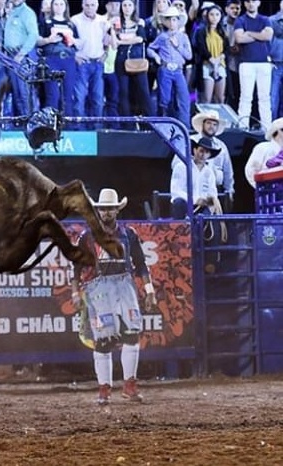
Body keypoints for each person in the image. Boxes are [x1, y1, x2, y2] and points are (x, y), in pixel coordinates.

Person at [72, 188, 156, 406]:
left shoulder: (129, 235)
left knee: (131, 333)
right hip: (99, 289)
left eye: (110, 208)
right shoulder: (87, 236)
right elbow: (77, 266)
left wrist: (149, 290)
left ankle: (129, 385)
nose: (106, 213)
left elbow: (140, 264)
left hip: (123, 284)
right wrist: (75, 291)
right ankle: (104, 389)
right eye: (103, 209)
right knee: (104, 338)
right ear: (98, 212)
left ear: (117, 210)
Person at [147, 6, 192, 128]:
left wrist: (178, 46)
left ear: (178, 21)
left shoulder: (183, 37)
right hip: (165, 69)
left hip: (178, 70)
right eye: (169, 20)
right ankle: (163, 125)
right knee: (164, 99)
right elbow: (150, 48)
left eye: (174, 20)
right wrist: (156, 57)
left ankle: (185, 127)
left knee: (183, 98)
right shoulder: (162, 37)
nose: (172, 22)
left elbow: (189, 56)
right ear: (166, 22)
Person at [183, 111, 235, 209]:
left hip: (215, 190)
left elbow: (228, 171)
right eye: (209, 123)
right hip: (192, 188)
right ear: (203, 124)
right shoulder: (190, 141)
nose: (211, 127)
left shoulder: (221, 146)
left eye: (215, 124)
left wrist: (230, 191)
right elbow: (176, 164)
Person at [234, 0, 273, 130]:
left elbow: (268, 36)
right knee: (245, 96)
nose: (251, 4)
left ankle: (267, 128)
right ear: (245, 4)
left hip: (264, 63)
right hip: (246, 63)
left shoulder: (265, 19)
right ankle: (243, 127)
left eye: (254, 1)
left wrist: (249, 33)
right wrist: (259, 35)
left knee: (264, 97)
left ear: (259, 3)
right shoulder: (240, 20)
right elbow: (239, 38)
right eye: (248, 1)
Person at [170, 135, 219, 219]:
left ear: (209, 155)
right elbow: (176, 191)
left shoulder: (209, 172)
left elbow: (213, 192)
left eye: (206, 152)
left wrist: (208, 200)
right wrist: (196, 200)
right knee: (179, 202)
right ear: (195, 150)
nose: (203, 155)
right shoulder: (181, 167)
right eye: (201, 151)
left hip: (202, 208)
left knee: (209, 212)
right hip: (184, 206)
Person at [244, 118, 283, 188]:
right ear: (277, 132)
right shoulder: (262, 147)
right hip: (268, 192)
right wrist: (260, 188)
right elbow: (250, 170)